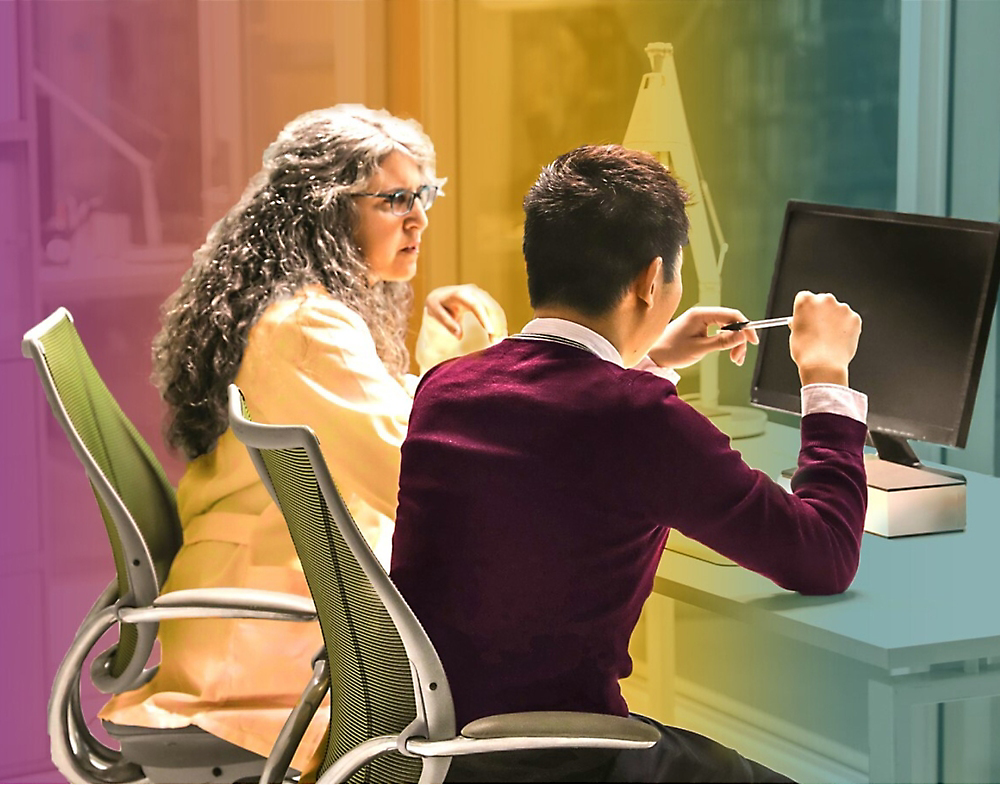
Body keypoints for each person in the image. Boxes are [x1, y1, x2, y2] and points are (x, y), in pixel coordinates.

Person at [390, 144, 867, 783]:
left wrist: (647, 352)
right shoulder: (639, 418)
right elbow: (825, 557)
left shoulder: (446, 387)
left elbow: (557, 442)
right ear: (651, 281)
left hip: (433, 752)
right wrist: (826, 376)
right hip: (563, 759)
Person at [99, 105, 506, 771]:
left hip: (274, 612)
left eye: (423, 195)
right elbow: (418, 483)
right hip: (272, 649)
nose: (419, 218)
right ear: (326, 211)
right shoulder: (308, 332)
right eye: (395, 199)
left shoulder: (298, 313)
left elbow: (378, 439)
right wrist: (466, 370)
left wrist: (436, 371)